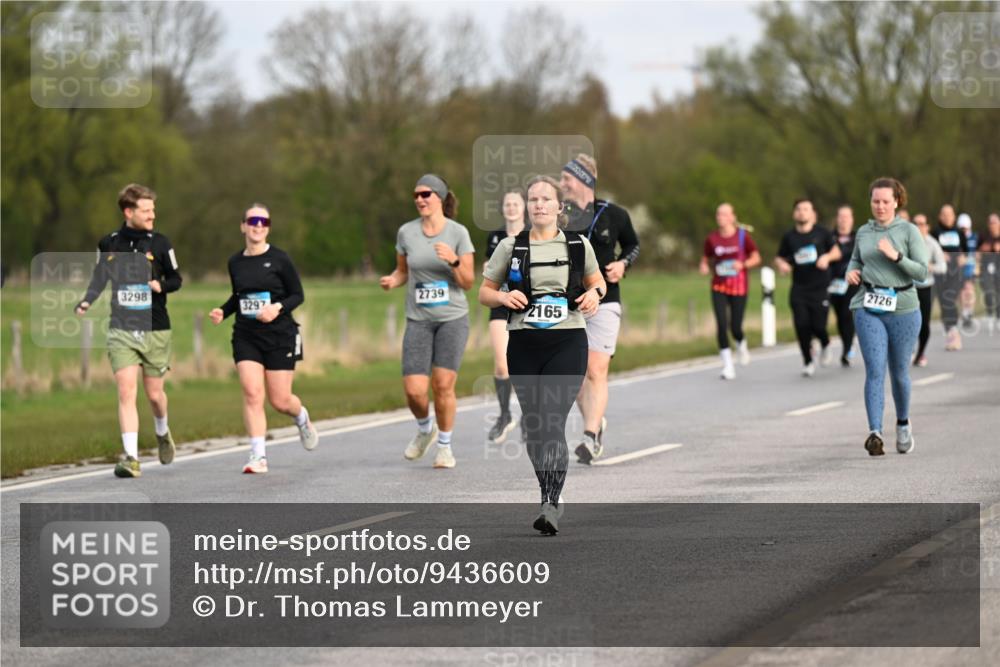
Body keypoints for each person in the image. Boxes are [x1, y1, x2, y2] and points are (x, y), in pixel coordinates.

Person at [480, 175, 606, 534]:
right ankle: (548, 489)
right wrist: (504, 298)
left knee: (551, 421)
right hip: (522, 343)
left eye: (544, 199)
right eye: (532, 199)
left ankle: (550, 504)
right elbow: (485, 293)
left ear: (558, 207)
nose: (537, 205)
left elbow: (598, 282)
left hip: (567, 341)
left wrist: (595, 294)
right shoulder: (510, 247)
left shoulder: (578, 246)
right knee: (536, 429)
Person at [75, 183, 182, 478]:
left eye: (153, 209)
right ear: (128, 212)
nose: (152, 215)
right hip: (121, 326)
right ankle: (131, 458)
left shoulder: (161, 243)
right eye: (146, 210)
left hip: (155, 328)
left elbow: (177, 279)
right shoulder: (108, 243)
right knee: (126, 390)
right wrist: (86, 301)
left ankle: (162, 430)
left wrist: (162, 285)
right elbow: (100, 276)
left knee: (155, 395)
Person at [209, 204, 317, 474]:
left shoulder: (280, 259)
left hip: (280, 335)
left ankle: (301, 416)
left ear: (268, 228)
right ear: (243, 225)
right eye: (253, 220)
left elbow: (297, 295)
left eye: (264, 222)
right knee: (252, 393)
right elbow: (239, 296)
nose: (258, 226)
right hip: (246, 335)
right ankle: (258, 456)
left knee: (280, 401)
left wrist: (277, 308)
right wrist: (224, 310)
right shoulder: (235, 262)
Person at [380, 174, 475, 469]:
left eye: (426, 194)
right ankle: (425, 429)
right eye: (416, 195)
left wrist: (454, 261)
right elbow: (403, 271)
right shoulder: (406, 233)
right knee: (414, 390)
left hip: (452, 319)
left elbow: (469, 282)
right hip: (419, 320)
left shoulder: (458, 233)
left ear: (440, 198)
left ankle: (444, 447)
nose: (420, 199)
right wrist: (392, 280)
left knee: (443, 385)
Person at [560, 153, 639, 464]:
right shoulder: (559, 216)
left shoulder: (615, 214)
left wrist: (623, 263)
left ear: (584, 179)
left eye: (567, 178)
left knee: (596, 370)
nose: (562, 183)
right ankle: (597, 419)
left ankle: (590, 437)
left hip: (605, 301)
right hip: (569, 304)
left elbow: (633, 245)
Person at [846, 178, 929, 456]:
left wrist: (896, 257)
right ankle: (875, 433)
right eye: (875, 201)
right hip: (868, 305)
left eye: (885, 201)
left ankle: (903, 424)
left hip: (904, 308)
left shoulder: (909, 231)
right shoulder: (863, 232)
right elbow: (856, 259)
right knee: (874, 370)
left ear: (896, 201)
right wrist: (851, 271)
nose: (880, 206)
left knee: (899, 373)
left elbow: (921, 272)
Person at [774, 198, 842, 376]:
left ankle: (825, 343)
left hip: (819, 287)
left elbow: (836, 252)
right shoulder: (789, 237)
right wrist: (782, 265)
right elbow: (779, 257)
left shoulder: (822, 233)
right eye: (798, 209)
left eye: (806, 209)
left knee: (819, 326)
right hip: (799, 288)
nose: (802, 212)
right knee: (801, 325)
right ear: (794, 213)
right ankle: (807, 361)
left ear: (812, 214)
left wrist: (826, 258)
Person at [484, 189, 527, 444]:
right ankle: (504, 415)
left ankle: (530, 417)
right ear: (503, 209)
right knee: (503, 364)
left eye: (516, 203)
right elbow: (489, 271)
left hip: (527, 304)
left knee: (528, 365)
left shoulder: (532, 235)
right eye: (507, 204)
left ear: (524, 208)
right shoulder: (495, 237)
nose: (511, 208)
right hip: (500, 303)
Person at [699, 202, 761, 379]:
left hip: (739, 286)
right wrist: (703, 266)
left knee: (735, 326)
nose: (721, 217)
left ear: (733, 217)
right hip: (718, 286)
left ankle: (741, 343)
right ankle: (728, 365)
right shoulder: (712, 239)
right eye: (718, 214)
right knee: (721, 324)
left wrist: (742, 264)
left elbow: (756, 257)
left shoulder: (743, 237)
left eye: (725, 214)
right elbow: (705, 257)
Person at [912, 213, 947, 367]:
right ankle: (908, 349)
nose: (919, 227)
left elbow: (943, 267)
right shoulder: (906, 242)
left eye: (922, 223)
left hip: (926, 287)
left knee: (923, 323)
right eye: (916, 223)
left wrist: (929, 267)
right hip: (908, 288)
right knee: (907, 321)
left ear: (927, 226)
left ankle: (921, 353)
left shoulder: (932, 244)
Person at [932, 204, 967, 350]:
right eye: (944, 214)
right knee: (943, 301)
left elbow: (967, 251)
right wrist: (940, 256)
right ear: (940, 216)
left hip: (956, 272)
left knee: (950, 299)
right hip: (940, 272)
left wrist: (963, 257)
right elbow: (930, 251)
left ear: (954, 216)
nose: (947, 217)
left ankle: (953, 331)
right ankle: (951, 332)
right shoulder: (935, 232)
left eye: (950, 214)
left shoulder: (959, 232)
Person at [828, 205, 859, 367]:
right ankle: (847, 341)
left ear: (852, 219)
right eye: (841, 216)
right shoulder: (829, 237)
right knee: (839, 317)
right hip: (832, 283)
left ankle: (847, 349)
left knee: (847, 314)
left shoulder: (858, 238)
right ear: (836, 219)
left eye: (847, 216)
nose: (844, 220)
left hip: (851, 282)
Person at [978, 212, 1000, 333]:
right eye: (991, 223)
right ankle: (990, 312)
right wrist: (983, 249)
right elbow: (976, 252)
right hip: (986, 268)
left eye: (995, 223)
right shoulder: (983, 236)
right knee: (988, 289)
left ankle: (998, 315)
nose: (993, 225)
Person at [957, 213, 979, 331]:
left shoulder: (975, 237)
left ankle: (969, 311)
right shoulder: (957, 238)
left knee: (969, 288)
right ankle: (965, 312)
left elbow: (978, 252)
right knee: (962, 291)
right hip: (960, 269)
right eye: (962, 228)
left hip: (971, 268)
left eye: (965, 228)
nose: (964, 230)